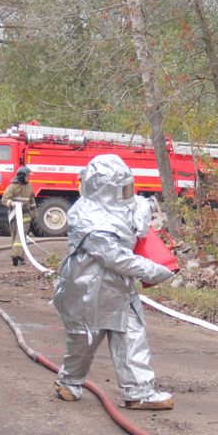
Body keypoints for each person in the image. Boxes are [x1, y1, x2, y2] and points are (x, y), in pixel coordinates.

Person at [52, 154, 175, 409]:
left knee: (131, 335)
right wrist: (151, 270)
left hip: (119, 288)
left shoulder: (124, 205)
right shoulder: (85, 217)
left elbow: (138, 211)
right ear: (104, 189)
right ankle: (69, 381)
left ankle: (139, 391)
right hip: (88, 289)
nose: (127, 193)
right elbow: (115, 257)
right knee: (84, 339)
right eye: (122, 188)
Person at [1, 166, 37, 266]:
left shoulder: (29, 186)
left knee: (21, 235)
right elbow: (4, 200)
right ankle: (19, 257)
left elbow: (32, 201)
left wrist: (34, 214)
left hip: (25, 215)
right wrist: (12, 203)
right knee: (15, 235)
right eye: (27, 176)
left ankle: (16, 255)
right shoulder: (12, 187)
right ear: (22, 176)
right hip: (14, 215)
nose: (28, 178)